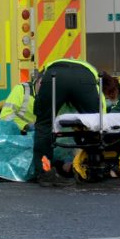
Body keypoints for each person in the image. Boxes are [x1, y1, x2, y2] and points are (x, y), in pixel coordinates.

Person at [32, 58, 102, 187]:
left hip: (55, 77)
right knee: (96, 123)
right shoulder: (89, 70)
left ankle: (45, 173)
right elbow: (101, 110)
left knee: (44, 124)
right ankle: (95, 168)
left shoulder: (49, 67)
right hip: (84, 79)